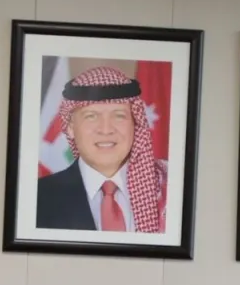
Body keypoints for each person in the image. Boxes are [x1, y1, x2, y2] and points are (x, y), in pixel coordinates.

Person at [35, 66, 167, 233]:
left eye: (119, 116)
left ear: (136, 123)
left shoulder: (168, 190)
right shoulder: (37, 199)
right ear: (70, 127)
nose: (106, 129)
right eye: (91, 116)